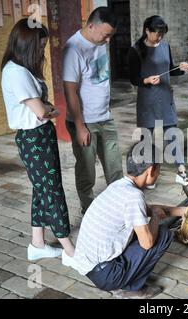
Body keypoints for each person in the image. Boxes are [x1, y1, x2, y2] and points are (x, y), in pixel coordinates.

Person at [72, 143, 188, 298]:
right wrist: (155, 216)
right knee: (162, 235)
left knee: (147, 227)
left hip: (92, 268)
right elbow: (147, 242)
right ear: (150, 171)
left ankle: (125, 279)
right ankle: (133, 289)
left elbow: (148, 209)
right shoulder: (134, 197)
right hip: (107, 276)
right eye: (159, 169)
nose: (159, 173)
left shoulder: (119, 186)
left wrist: (185, 211)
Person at [0, 19, 76, 266]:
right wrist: (49, 110)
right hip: (34, 139)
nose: (41, 52)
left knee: (42, 189)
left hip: (40, 136)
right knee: (52, 191)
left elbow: (43, 109)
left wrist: (47, 110)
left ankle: (38, 244)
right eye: (40, 47)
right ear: (27, 45)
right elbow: (42, 111)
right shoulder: (16, 72)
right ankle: (69, 250)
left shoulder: (21, 69)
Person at [63, 7, 123, 215]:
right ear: (91, 26)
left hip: (105, 117)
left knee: (115, 168)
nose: (107, 41)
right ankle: (88, 210)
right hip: (84, 122)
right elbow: (70, 90)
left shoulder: (100, 42)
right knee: (87, 171)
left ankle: (118, 207)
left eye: (110, 36)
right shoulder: (74, 48)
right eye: (106, 35)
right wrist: (79, 126)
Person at [127, 15, 188, 189]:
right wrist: (146, 80)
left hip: (165, 97)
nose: (160, 37)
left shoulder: (165, 46)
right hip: (147, 100)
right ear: (147, 31)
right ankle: (146, 171)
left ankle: (182, 171)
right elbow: (133, 78)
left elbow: (169, 70)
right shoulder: (136, 50)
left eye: (162, 34)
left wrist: (181, 69)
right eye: (157, 33)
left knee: (172, 134)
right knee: (146, 138)